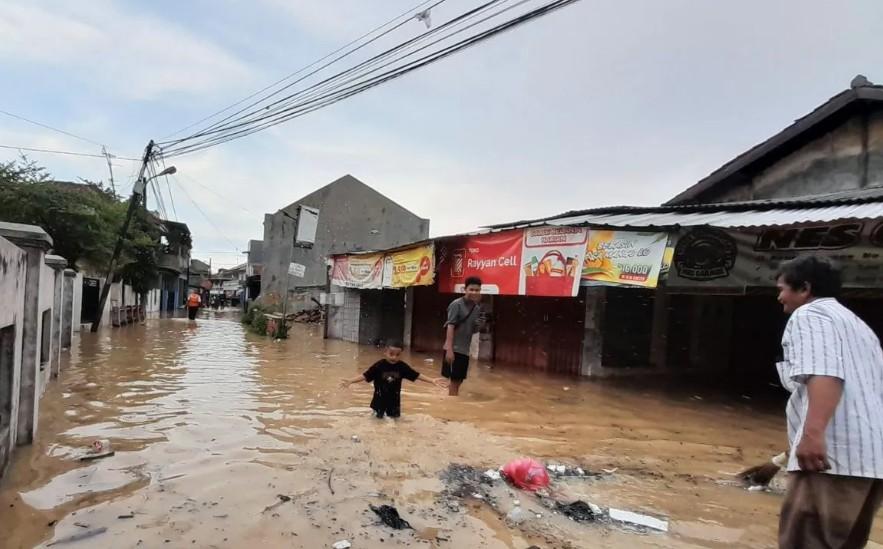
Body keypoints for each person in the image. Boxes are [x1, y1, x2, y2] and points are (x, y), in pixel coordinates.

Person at [774, 255, 883, 548]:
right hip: (870, 463)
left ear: (805, 288)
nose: (779, 296)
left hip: (831, 459)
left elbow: (825, 374)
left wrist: (812, 434)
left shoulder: (810, 315)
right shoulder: (859, 326)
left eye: (783, 288)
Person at [340, 341, 447, 419]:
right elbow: (365, 375)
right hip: (379, 402)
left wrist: (432, 380)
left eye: (397, 355)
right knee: (377, 423)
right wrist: (350, 381)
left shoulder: (402, 367)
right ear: (385, 352)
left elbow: (416, 375)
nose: (394, 357)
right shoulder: (379, 365)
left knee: (395, 423)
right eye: (391, 354)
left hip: (394, 402)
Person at [442, 276, 484, 396]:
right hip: (454, 349)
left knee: (459, 381)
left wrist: (480, 324)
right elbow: (450, 326)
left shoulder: (476, 308)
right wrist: (449, 350)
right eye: (471, 289)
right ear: (464, 289)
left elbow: (473, 330)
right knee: (455, 381)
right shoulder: (456, 304)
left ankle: (450, 400)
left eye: (477, 290)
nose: (474, 292)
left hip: (464, 350)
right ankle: (452, 407)